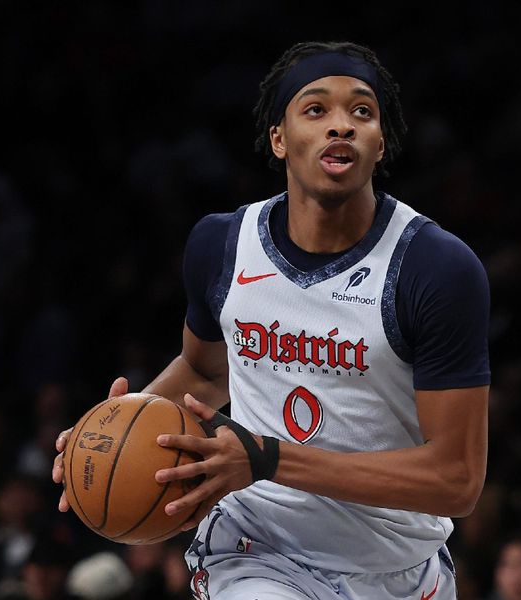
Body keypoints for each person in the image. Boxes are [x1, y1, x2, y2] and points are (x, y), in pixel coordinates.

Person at [53, 40, 490, 599]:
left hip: (400, 570)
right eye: (316, 109)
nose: (341, 126)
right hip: (258, 551)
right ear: (279, 139)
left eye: (362, 111)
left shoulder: (435, 268)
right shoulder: (222, 244)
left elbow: (455, 480)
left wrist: (267, 458)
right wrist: (113, 434)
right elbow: (208, 371)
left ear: (381, 143)